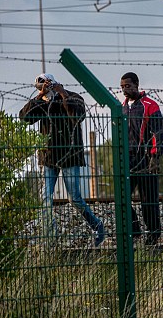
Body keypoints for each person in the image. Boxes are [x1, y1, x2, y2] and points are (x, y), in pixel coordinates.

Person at [19, 73, 105, 247]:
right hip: (49, 156)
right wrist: (39, 97)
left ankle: (97, 225)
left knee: (75, 199)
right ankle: (50, 236)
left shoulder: (73, 97)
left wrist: (63, 94)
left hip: (70, 155)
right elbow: (24, 117)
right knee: (45, 198)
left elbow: (78, 115)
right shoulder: (42, 103)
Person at [120, 72, 163, 245]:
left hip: (146, 159)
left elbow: (158, 132)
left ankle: (153, 235)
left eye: (128, 86)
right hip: (128, 159)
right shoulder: (122, 107)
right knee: (123, 197)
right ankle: (135, 231)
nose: (125, 89)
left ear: (137, 85)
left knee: (149, 200)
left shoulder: (149, 105)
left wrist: (155, 156)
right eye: (123, 86)